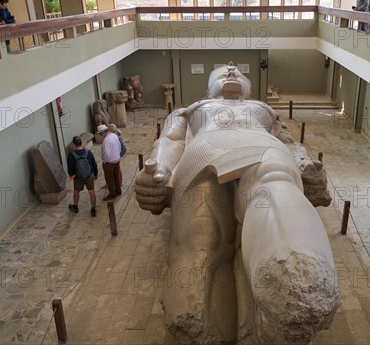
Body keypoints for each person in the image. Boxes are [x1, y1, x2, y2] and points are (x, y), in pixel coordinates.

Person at [135, 63, 341, 344]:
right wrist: (159, 170)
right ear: (209, 88)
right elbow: (170, 139)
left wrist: (306, 167)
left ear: (248, 88)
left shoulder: (263, 109)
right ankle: (207, 324)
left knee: (274, 184)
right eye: (222, 72)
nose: (231, 71)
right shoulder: (192, 109)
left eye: (237, 73)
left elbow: (290, 143)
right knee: (203, 240)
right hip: (206, 150)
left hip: (262, 146)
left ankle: (299, 285)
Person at [67, 136, 98, 216]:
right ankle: (93, 209)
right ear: (81, 143)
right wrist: (95, 173)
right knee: (91, 191)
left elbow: (70, 168)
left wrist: (71, 175)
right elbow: (94, 164)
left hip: (78, 177)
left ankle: (75, 206)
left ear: (74, 144)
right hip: (89, 175)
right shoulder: (88, 152)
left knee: (76, 191)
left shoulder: (71, 155)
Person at [97, 124, 121, 201]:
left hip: (109, 162)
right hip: (117, 160)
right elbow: (119, 146)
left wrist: (105, 161)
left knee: (109, 179)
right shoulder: (114, 136)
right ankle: (118, 191)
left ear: (102, 132)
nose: (100, 135)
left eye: (100, 134)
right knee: (116, 176)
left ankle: (112, 194)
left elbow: (106, 153)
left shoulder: (106, 140)